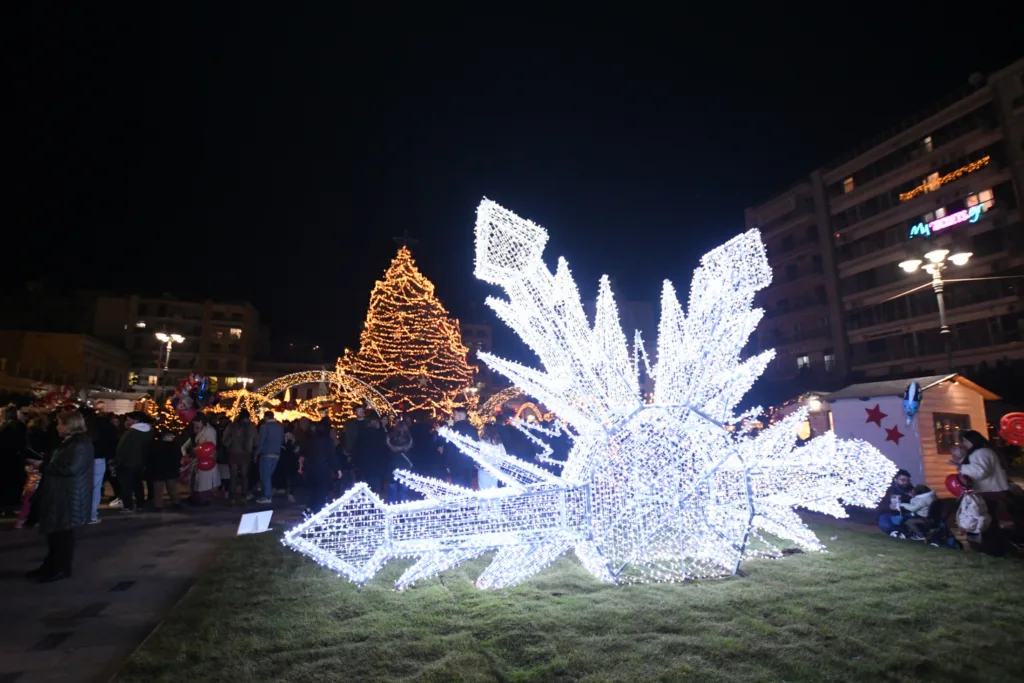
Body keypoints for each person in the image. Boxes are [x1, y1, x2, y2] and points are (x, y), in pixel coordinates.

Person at [28, 410, 93, 583]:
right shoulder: (69, 442)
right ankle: (50, 566)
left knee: (63, 534)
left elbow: (71, 469)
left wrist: (43, 467)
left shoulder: (80, 444)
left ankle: (60, 568)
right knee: (55, 533)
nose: (57, 427)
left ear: (70, 425)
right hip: (60, 492)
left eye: (60, 423)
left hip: (69, 494)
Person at [956, 430, 1012, 555]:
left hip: (988, 491)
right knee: (989, 520)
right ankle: (998, 547)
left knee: (987, 521)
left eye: (965, 441)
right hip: (992, 491)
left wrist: (961, 467)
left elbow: (980, 472)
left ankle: (993, 549)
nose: (963, 444)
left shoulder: (981, 453)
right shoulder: (986, 451)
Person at [114, 411, 152, 513]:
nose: (127, 421)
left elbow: (122, 448)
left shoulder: (131, 432)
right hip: (140, 463)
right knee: (137, 484)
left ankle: (128, 506)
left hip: (126, 462)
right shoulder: (149, 431)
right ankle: (140, 504)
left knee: (126, 485)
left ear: (135, 420)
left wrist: (116, 461)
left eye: (129, 419)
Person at [304, 418, 341, 513]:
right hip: (323, 468)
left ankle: (309, 508)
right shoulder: (327, 442)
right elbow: (331, 456)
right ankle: (317, 511)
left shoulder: (310, 441)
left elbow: (305, 454)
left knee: (314, 490)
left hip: (311, 468)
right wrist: (338, 469)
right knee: (322, 490)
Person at [223, 409, 257, 503]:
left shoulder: (232, 426)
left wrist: (231, 442)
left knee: (233, 475)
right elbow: (256, 440)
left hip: (234, 452)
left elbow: (225, 439)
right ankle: (244, 495)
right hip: (246, 453)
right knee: (244, 475)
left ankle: (232, 496)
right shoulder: (252, 427)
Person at [184, 413, 219, 505]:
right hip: (200, 458)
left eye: (196, 424)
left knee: (204, 481)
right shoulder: (202, 430)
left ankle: (203, 499)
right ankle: (198, 498)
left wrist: (200, 449)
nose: (195, 426)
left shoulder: (209, 431)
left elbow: (211, 445)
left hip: (207, 458)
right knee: (199, 480)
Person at [149, 430, 183, 511]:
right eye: (171, 436)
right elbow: (178, 457)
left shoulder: (155, 446)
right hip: (171, 470)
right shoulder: (175, 446)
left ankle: (158, 506)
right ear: (166, 437)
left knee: (158, 489)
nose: (172, 438)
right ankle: (176, 502)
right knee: (172, 488)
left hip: (158, 470)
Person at [255, 409, 284, 504]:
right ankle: (267, 493)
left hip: (266, 454)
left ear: (266, 417)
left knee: (265, 475)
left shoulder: (265, 427)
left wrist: (256, 453)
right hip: (276, 454)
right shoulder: (280, 426)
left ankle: (267, 496)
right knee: (268, 475)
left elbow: (261, 441)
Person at [446, 408, 478, 488]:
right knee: (468, 485)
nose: (453, 417)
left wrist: (447, 463)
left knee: (457, 487)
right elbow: (476, 447)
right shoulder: (473, 429)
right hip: (469, 462)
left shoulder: (453, 430)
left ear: (459, 415)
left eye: (454, 415)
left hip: (456, 463)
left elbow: (449, 448)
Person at [877, 469, 914, 535]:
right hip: (890, 514)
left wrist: (913, 498)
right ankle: (896, 532)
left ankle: (905, 532)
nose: (906, 482)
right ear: (895, 479)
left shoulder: (912, 490)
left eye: (907, 480)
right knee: (885, 523)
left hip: (906, 514)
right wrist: (889, 507)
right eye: (903, 480)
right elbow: (878, 505)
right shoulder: (886, 490)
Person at [386, 421, 414, 503]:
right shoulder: (409, 440)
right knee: (404, 492)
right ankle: (403, 510)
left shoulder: (391, 439)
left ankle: (391, 510)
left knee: (392, 492)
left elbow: (388, 454)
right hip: (404, 468)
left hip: (393, 467)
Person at [477, 423, 502, 490]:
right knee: (494, 489)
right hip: (496, 468)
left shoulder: (482, 442)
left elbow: (479, 455)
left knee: (484, 490)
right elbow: (504, 455)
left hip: (484, 469)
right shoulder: (498, 443)